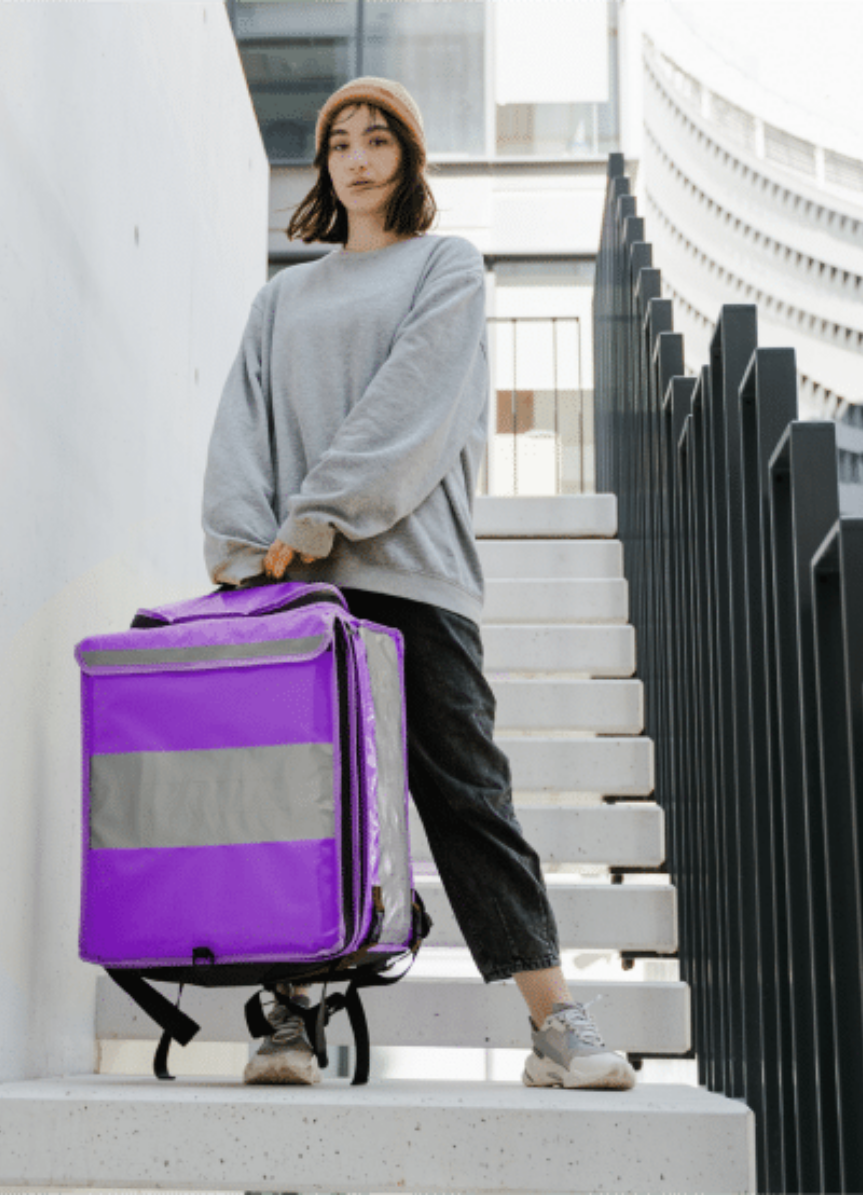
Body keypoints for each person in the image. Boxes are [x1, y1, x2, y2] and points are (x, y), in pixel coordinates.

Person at [200, 76, 635, 1092]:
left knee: (468, 797)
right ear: (325, 166)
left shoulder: (447, 267)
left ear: (407, 157)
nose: (356, 156)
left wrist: (316, 518)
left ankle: (555, 1020)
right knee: (307, 806)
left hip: (416, 579)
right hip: (295, 592)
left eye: (377, 139)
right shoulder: (282, 298)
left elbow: (415, 409)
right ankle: (294, 1018)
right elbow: (240, 429)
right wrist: (240, 544)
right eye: (340, 142)